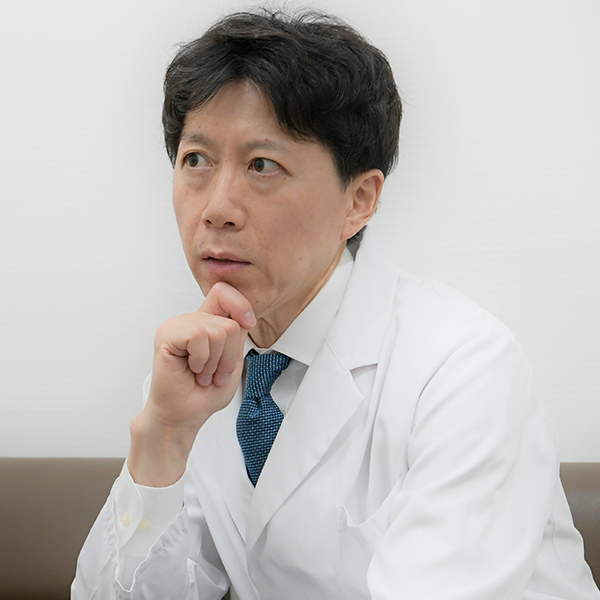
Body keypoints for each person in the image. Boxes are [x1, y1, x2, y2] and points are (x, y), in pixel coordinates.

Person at [72, 8, 600, 600]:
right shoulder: (195, 370)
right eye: (196, 159)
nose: (217, 208)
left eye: (262, 165)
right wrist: (163, 434)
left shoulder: (464, 368)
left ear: (360, 199)